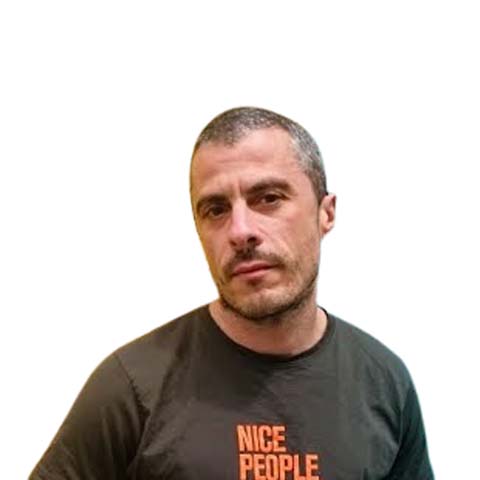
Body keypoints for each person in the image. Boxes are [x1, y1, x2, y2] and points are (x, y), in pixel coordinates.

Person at [30, 107, 434, 479]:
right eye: (216, 209)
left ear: (325, 213)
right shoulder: (132, 387)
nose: (240, 231)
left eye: (269, 198)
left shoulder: (383, 383)